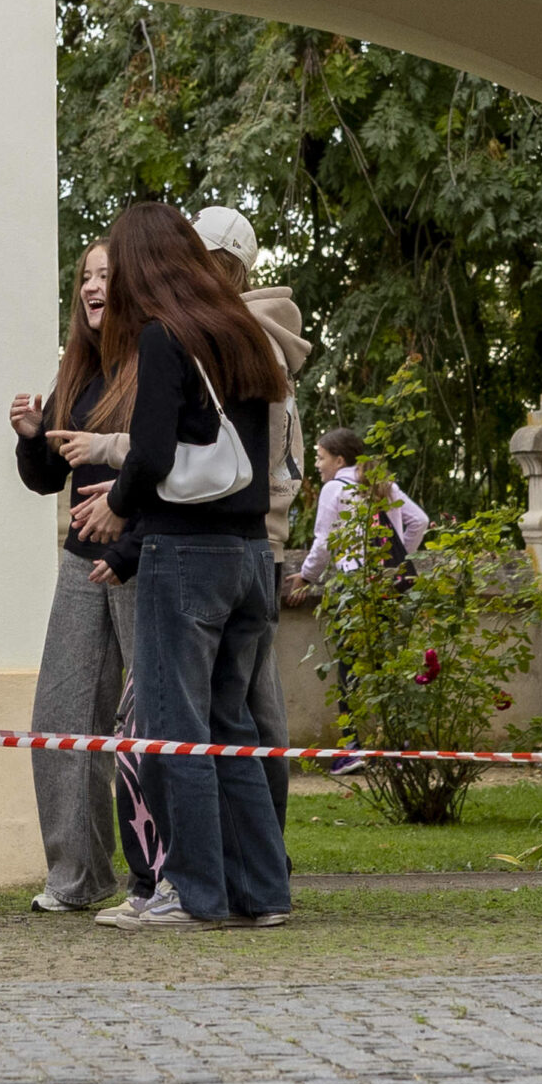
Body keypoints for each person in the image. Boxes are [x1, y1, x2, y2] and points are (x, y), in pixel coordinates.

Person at [79, 201, 292, 931]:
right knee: (234, 731)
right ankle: (262, 892)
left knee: (176, 734)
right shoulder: (244, 332)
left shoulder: (164, 336)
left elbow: (152, 453)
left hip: (187, 555)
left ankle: (193, 893)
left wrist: (118, 507)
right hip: (251, 556)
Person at [10, 240, 136, 914]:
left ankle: (164, 877)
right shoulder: (79, 372)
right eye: (86, 277)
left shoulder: (155, 363)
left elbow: (168, 462)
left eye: (106, 276)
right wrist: (34, 435)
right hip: (81, 559)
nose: (92, 287)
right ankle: (78, 876)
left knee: (151, 720)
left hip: (142, 556)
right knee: (61, 718)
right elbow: (45, 479)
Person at [193, 204, 315, 822]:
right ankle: (266, 849)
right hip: (263, 538)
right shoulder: (262, 335)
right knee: (254, 699)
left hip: (240, 536)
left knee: (235, 706)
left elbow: (230, 452)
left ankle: (260, 847)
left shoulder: (241, 338)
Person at [285, 426, 431, 774]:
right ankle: (399, 748)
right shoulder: (383, 484)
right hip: (391, 584)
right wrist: (397, 558)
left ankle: (352, 748)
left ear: (339, 460)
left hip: (354, 586)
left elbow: (324, 542)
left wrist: (306, 577)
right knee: (391, 662)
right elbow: (420, 521)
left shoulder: (334, 489)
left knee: (350, 666)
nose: (317, 465)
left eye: (320, 457)